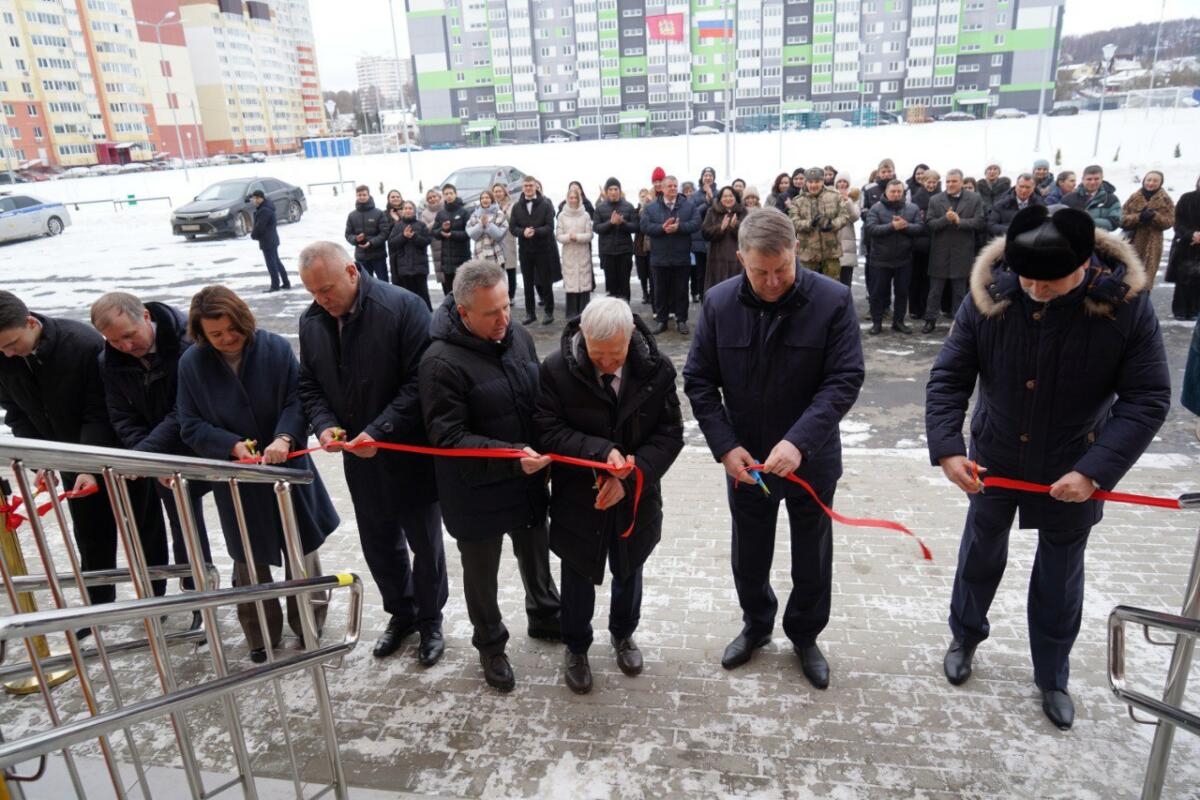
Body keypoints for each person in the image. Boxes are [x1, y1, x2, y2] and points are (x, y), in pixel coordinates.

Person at [926, 205, 1169, 730]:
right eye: (1029, 279)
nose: (1035, 290)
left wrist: (1095, 471)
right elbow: (949, 377)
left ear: (1085, 267)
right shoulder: (992, 295)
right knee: (979, 553)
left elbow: (1147, 398)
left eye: (1051, 282)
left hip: (1074, 466)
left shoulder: (1124, 308)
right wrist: (948, 447)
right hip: (993, 459)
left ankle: (1052, 673)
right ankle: (965, 634)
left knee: (1060, 575)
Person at [684, 208, 865, 686]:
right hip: (748, 463)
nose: (770, 282)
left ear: (796, 252)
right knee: (750, 551)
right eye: (759, 271)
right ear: (740, 257)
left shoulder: (832, 301)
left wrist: (799, 442)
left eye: (780, 270)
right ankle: (756, 624)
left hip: (812, 461)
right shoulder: (720, 303)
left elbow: (844, 379)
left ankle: (805, 635)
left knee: (812, 554)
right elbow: (699, 381)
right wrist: (725, 448)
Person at [296, 242, 447, 665]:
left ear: (351, 272)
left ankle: (431, 619)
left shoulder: (402, 307)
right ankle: (401, 613)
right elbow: (309, 383)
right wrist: (325, 424)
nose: (322, 300)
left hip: (407, 451)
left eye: (327, 289)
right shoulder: (312, 322)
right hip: (358, 459)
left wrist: (379, 429)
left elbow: (422, 382)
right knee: (379, 542)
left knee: (425, 544)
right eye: (313, 293)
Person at [419, 260, 562, 692]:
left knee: (536, 550)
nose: (504, 320)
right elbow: (449, 438)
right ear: (463, 313)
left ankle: (545, 613)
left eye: (507, 306)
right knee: (482, 574)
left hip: (525, 477)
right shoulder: (439, 362)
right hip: (474, 489)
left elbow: (537, 398)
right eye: (491, 313)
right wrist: (511, 455)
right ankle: (490, 643)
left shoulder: (515, 335)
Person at [177, 286, 339, 663]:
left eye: (232, 329)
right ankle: (261, 634)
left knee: (303, 553)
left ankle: (309, 625)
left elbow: (298, 399)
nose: (227, 338)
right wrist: (230, 445)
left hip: (288, 472)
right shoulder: (192, 364)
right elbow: (189, 423)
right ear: (202, 334)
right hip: (239, 482)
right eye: (216, 334)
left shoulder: (274, 348)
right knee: (249, 561)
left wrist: (284, 435)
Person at [534, 297, 683, 693]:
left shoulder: (657, 370)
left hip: (636, 497)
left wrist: (631, 476)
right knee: (578, 572)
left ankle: (623, 633)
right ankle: (577, 647)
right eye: (598, 355)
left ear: (630, 335)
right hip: (578, 498)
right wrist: (601, 453)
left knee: (630, 567)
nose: (607, 364)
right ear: (583, 338)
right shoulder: (556, 369)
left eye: (615, 355)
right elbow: (547, 431)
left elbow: (670, 435)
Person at [0, 292, 167, 614]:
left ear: (31, 323)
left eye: (11, 343)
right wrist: (41, 462)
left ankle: (154, 598)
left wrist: (86, 464)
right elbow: (16, 413)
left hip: (116, 453)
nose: (7, 353)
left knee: (142, 527)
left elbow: (100, 410)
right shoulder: (3, 360)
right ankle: (97, 605)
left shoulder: (81, 344)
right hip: (65, 457)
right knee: (90, 533)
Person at [92, 292, 215, 620]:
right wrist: (147, 457)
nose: (125, 346)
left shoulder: (188, 343)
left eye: (129, 335)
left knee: (239, 517)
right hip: (158, 454)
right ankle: (198, 598)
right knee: (184, 529)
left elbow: (184, 410)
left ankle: (245, 581)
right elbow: (120, 415)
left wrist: (146, 455)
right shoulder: (110, 361)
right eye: (115, 341)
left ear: (146, 317)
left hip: (209, 443)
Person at [923, 169, 985, 334]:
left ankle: (960, 323)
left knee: (959, 292)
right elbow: (929, 223)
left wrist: (959, 221)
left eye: (954, 181)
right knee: (935, 291)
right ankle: (930, 320)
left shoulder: (974, 198)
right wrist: (946, 219)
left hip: (962, 252)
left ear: (961, 182)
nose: (950, 184)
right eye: (948, 181)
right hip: (940, 252)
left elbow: (979, 222)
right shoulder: (935, 200)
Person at [864, 179, 924, 335]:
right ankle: (877, 323)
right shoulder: (876, 209)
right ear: (886, 192)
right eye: (893, 192)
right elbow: (871, 229)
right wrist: (892, 226)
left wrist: (904, 226)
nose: (896, 194)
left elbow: (920, 228)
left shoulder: (912, 208)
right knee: (877, 293)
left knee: (902, 293)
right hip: (880, 260)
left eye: (899, 192)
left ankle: (899, 322)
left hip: (904, 259)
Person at [640, 175, 699, 336]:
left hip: (681, 256)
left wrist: (679, 228)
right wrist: (662, 228)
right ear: (663, 188)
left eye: (675, 186)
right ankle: (661, 320)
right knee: (660, 291)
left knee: (681, 290)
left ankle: (681, 320)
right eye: (669, 186)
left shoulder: (688, 205)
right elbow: (644, 226)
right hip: (659, 257)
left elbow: (696, 223)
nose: (672, 188)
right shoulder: (651, 207)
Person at [509, 175, 560, 326]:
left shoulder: (545, 204)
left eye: (531, 185)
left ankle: (549, 312)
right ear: (523, 188)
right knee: (527, 282)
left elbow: (550, 227)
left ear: (536, 187)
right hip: (525, 250)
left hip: (543, 249)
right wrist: (522, 232)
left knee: (546, 281)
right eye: (526, 186)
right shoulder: (517, 206)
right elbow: (512, 228)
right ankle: (530, 313)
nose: (528, 188)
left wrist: (535, 232)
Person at [790, 167, 849, 280]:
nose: (813, 185)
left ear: (822, 181)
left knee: (832, 287)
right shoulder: (797, 201)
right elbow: (793, 222)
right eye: (810, 182)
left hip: (831, 253)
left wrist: (832, 224)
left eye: (817, 181)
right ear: (806, 182)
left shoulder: (835, 196)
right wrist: (810, 224)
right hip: (807, 254)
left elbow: (845, 216)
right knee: (807, 287)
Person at [1121, 170, 1176, 290]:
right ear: (1144, 181)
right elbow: (1122, 219)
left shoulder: (1165, 200)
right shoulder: (1134, 197)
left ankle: (1142, 306)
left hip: (1153, 245)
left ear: (1161, 183)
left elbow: (1170, 221)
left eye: (1155, 181)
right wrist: (1138, 217)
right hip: (1131, 242)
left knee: (1146, 280)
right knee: (1127, 277)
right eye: (1149, 180)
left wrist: (1155, 217)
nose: (1151, 183)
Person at [593, 177, 638, 301]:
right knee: (611, 287)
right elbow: (596, 228)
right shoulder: (600, 208)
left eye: (616, 189)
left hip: (624, 252)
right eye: (611, 189)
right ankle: (612, 316)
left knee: (624, 285)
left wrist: (622, 223)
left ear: (620, 190)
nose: (613, 192)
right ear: (607, 192)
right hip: (607, 252)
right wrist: (611, 223)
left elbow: (635, 227)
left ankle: (625, 313)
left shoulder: (628, 206)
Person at [556, 185, 595, 318]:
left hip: (583, 253)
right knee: (571, 283)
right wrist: (568, 237)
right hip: (569, 254)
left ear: (579, 199)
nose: (573, 200)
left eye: (575, 198)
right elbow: (559, 235)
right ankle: (571, 314)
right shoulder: (562, 216)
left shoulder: (585, 215)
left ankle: (585, 313)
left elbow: (590, 235)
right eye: (570, 197)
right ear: (567, 199)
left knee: (584, 283)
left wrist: (577, 237)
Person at [386, 200, 433, 310]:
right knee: (409, 296)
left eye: (410, 208)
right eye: (405, 208)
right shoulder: (398, 226)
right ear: (402, 211)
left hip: (420, 267)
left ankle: (428, 315)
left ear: (414, 211)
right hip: (404, 268)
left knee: (423, 294)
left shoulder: (421, 225)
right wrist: (403, 236)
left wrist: (413, 237)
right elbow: (391, 243)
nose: (408, 210)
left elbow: (427, 241)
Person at [907, 169, 940, 322]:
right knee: (916, 277)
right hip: (919, 243)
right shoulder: (916, 199)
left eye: (934, 182)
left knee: (930, 279)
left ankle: (928, 307)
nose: (931, 185)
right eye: (928, 182)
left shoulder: (942, 197)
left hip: (936, 243)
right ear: (923, 182)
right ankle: (915, 308)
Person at [467, 188, 512, 301]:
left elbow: (499, 235)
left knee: (497, 281)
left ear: (491, 199)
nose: (485, 200)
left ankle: (501, 300)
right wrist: (480, 225)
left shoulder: (499, 214)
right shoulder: (474, 215)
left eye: (487, 197)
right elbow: (472, 234)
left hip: (496, 254)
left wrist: (487, 225)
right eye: (482, 198)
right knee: (482, 281)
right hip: (480, 253)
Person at [701, 185, 747, 292]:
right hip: (717, 260)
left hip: (737, 260)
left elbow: (749, 233)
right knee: (718, 291)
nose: (728, 199)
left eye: (731, 196)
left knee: (736, 290)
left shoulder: (742, 211)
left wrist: (735, 225)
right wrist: (720, 228)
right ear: (720, 198)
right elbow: (705, 233)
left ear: (735, 197)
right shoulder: (712, 211)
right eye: (725, 196)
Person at [1167, 176, 1200, 320]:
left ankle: (1194, 310)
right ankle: (1180, 310)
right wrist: (1191, 235)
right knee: (1182, 279)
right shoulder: (1186, 198)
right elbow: (1177, 221)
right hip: (1185, 244)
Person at [344, 185, 390, 283]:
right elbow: (348, 234)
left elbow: (385, 232)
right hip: (362, 258)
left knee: (383, 283)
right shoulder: (352, 215)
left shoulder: (379, 213)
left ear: (369, 195)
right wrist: (356, 239)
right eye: (359, 195)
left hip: (378, 256)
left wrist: (371, 243)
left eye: (364, 194)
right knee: (365, 285)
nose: (361, 197)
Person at [434, 183, 471, 299]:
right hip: (446, 260)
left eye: (451, 193)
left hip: (462, 258)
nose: (449, 196)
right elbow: (434, 233)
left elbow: (469, 233)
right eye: (446, 194)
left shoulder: (464, 212)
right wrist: (442, 230)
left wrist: (452, 234)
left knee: (463, 291)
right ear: (443, 196)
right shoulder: (441, 213)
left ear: (456, 194)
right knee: (449, 294)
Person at [249, 189, 290, 292]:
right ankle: (286, 283)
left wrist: (253, 235)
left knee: (271, 264)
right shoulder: (266, 207)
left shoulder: (264, 210)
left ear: (259, 198)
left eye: (254, 198)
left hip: (268, 240)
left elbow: (260, 226)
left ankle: (275, 286)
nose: (253, 200)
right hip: (271, 239)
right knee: (276, 262)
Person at [1060, 165, 1121, 232]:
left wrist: (1088, 220)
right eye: (1089, 179)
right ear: (1083, 179)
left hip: (1099, 240)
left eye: (1096, 179)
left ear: (1102, 178)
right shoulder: (1068, 198)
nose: (1092, 182)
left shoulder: (1111, 200)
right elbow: (1059, 219)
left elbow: (1114, 223)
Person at [986, 173, 1045, 238]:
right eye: (1021, 186)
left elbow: (1044, 226)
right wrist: (1012, 230)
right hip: (1007, 241)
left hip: (1031, 242)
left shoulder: (1040, 205)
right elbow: (990, 225)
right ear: (1016, 186)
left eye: (1028, 187)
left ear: (1033, 188)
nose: (1024, 190)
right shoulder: (1002, 204)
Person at [491, 183, 519, 303]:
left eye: (499, 191)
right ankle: (499, 294)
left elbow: (513, 221)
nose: (497, 194)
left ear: (504, 192)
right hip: (494, 241)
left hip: (508, 239)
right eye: (495, 191)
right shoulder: (490, 205)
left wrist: (504, 211)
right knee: (497, 269)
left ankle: (511, 295)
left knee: (510, 268)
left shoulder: (512, 205)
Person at [834, 175, 860, 288]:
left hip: (847, 246)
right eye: (840, 181)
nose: (842, 184)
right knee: (832, 284)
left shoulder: (853, 199)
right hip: (832, 246)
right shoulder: (829, 197)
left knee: (845, 283)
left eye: (845, 181)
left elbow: (855, 217)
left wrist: (847, 201)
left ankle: (845, 305)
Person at [419, 189, 445, 291]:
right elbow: (424, 229)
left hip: (450, 243)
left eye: (434, 196)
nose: (432, 199)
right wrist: (437, 220)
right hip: (436, 245)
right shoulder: (425, 214)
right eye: (429, 198)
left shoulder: (446, 208)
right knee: (442, 275)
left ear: (439, 197)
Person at [632, 188, 654, 307]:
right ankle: (645, 293)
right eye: (641, 196)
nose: (644, 198)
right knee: (642, 273)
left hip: (651, 246)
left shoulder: (653, 209)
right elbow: (637, 226)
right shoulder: (636, 211)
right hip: (639, 245)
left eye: (645, 196)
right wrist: (641, 211)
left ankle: (651, 293)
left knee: (651, 272)